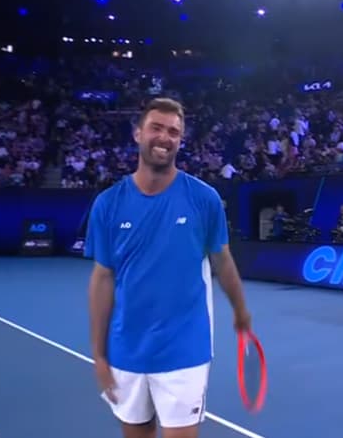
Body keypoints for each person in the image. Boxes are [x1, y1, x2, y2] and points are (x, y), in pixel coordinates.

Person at [84, 98, 252, 438]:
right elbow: (103, 278)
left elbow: (222, 259)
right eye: (156, 128)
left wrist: (240, 310)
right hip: (126, 351)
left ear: (181, 140)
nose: (165, 137)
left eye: (174, 132)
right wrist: (99, 355)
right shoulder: (108, 204)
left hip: (184, 350)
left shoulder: (204, 199)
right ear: (138, 133)